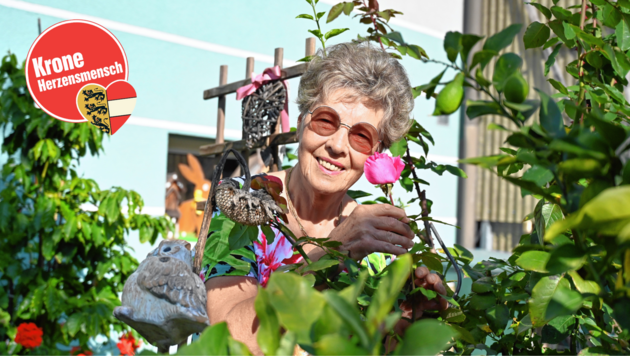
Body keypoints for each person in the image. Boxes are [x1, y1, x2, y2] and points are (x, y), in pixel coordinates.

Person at [203, 42, 447, 354]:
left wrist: (410, 323)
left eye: (361, 136)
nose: (337, 145)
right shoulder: (242, 204)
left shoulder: (372, 241)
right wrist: (332, 253)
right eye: (326, 121)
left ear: (375, 153)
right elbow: (227, 340)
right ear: (302, 122)